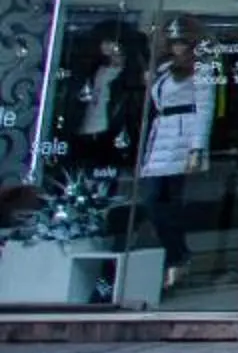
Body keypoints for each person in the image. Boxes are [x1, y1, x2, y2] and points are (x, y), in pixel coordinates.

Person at [136, 18, 215, 295]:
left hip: (181, 140)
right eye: (174, 42)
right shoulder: (164, 71)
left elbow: (205, 109)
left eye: (182, 41)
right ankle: (177, 254)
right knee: (154, 202)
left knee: (164, 201)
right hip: (161, 138)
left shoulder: (200, 70)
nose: (177, 47)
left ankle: (177, 255)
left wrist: (197, 148)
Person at [53, 23, 145, 171]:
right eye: (105, 42)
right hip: (81, 132)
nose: (107, 47)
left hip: (109, 135)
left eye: (111, 42)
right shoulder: (92, 70)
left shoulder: (131, 77)